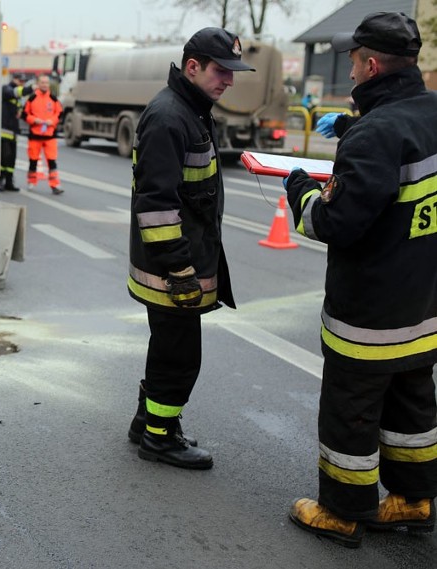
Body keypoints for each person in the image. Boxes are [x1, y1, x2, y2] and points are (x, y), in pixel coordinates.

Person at [284, 12, 437, 548]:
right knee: (413, 407)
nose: (349, 70)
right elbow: (406, 150)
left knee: (351, 411)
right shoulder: (426, 115)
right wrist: (353, 130)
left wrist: (301, 190)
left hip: (370, 316)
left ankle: (342, 510)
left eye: (351, 61)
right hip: (425, 308)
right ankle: (414, 501)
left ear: (370, 65)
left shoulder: (376, 133)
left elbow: (335, 223)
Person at [127, 28, 253, 470]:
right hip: (172, 269)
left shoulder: (190, 109)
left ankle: (146, 422)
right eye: (222, 71)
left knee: (167, 346)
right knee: (179, 357)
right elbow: (157, 204)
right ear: (193, 67)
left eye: (233, 72)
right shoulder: (169, 116)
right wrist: (178, 268)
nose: (229, 81)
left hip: (176, 262)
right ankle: (160, 438)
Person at [23, 74, 63, 194]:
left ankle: (55, 185)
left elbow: (59, 113)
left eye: (46, 82)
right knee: (33, 160)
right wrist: (34, 120)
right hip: (35, 134)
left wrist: (52, 121)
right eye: (42, 82)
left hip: (50, 135)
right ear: (38, 84)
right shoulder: (32, 98)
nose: (45, 85)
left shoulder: (53, 98)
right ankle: (31, 181)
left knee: (52, 161)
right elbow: (24, 114)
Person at [0, 73, 32, 192]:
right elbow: (17, 92)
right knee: (4, 158)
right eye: (20, 80)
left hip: (13, 132)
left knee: (12, 159)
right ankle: (0, 180)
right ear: (14, 80)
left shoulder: (18, 97)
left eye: (24, 81)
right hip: (4, 131)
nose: (22, 83)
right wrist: (31, 88)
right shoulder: (6, 89)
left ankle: (9, 182)